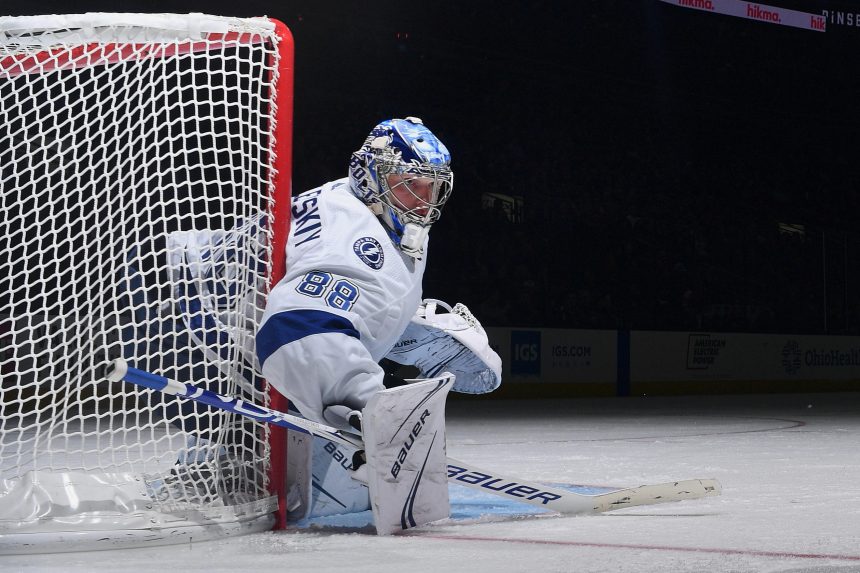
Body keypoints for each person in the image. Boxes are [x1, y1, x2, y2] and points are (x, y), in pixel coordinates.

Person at [255, 117, 502, 519]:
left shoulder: (353, 202)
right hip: (201, 336)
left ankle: (229, 465)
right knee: (332, 487)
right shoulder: (355, 236)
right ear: (370, 175)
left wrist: (395, 319)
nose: (424, 200)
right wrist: (371, 409)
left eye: (432, 186)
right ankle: (240, 463)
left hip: (205, 313)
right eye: (411, 184)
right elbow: (295, 328)